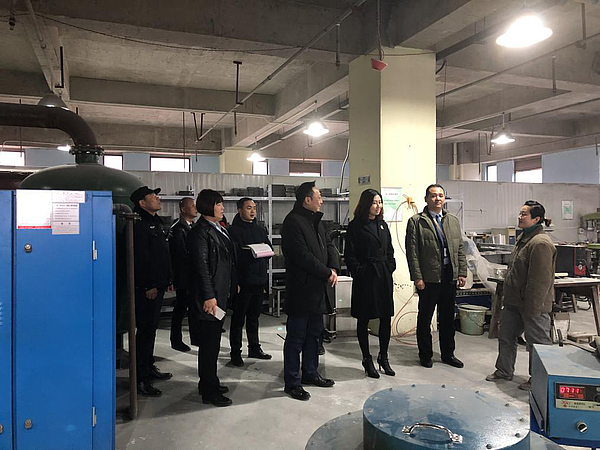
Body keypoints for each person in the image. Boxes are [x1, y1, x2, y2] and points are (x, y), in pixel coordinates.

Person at [486, 201, 555, 390]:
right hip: (514, 302)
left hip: (533, 305)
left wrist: (533, 309)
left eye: (524, 214)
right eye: (520, 213)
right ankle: (504, 371)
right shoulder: (524, 238)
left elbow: (540, 281)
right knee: (506, 337)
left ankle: (538, 380)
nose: (520, 217)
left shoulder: (540, 243)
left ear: (536, 219)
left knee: (538, 344)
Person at [281, 181, 340, 401]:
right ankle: (292, 382)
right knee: (296, 338)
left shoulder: (316, 221)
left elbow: (330, 245)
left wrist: (333, 268)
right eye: (318, 197)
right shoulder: (292, 222)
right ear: (307, 200)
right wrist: (326, 272)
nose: (321, 201)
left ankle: (310, 372)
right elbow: (302, 256)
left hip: (318, 290)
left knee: (314, 335)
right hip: (301, 290)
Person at [405, 184, 467, 369]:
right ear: (426, 199)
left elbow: (460, 248)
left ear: (444, 198)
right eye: (433, 195)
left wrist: (462, 272)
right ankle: (425, 355)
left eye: (440, 195)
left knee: (447, 319)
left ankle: (448, 354)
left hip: (449, 276)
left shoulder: (452, 220)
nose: (437, 198)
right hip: (429, 278)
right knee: (425, 318)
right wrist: (417, 277)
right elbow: (412, 252)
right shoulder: (417, 221)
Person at [187, 189, 236, 407]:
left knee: (213, 342)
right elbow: (201, 267)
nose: (222, 207)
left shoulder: (217, 228)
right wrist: (209, 296)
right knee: (209, 345)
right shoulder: (200, 232)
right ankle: (209, 390)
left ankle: (210, 382)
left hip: (219, 293)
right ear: (208, 206)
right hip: (210, 297)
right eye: (218, 204)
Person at [345, 189, 396, 378]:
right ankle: (367, 359)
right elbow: (349, 255)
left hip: (383, 276)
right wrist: (360, 272)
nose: (378, 206)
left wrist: (390, 266)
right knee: (364, 318)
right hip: (366, 278)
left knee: (385, 317)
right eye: (374, 202)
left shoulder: (382, 225)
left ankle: (384, 357)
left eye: (380, 202)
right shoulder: (355, 226)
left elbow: (389, 250)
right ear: (366, 204)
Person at [130, 186, 173, 397]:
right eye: (153, 196)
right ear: (142, 203)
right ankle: (141, 378)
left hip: (159, 284)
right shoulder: (139, 225)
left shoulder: (155, 223)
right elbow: (140, 258)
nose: (157, 198)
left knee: (151, 330)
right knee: (145, 332)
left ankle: (149, 366)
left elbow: (162, 255)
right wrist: (148, 285)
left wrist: (168, 279)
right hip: (148, 288)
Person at [228, 197, 273, 366]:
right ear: (239, 210)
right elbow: (234, 257)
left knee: (254, 317)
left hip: (258, 279)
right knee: (238, 318)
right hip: (243, 281)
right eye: (248, 208)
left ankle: (254, 347)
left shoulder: (260, 229)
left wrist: (261, 250)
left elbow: (269, 249)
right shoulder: (233, 231)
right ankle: (235, 352)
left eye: (254, 208)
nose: (252, 211)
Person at [168, 197, 198, 352]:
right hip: (184, 276)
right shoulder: (178, 229)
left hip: (193, 275)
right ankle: (176, 339)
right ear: (183, 209)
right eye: (192, 206)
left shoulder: (193, 227)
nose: (195, 208)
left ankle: (195, 337)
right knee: (181, 308)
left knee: (193, 307)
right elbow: (180, 255)